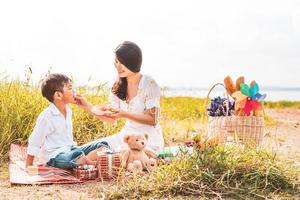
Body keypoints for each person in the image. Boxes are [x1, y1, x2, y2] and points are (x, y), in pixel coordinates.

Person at [76, 41, 164, 152]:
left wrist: (124, 114)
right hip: (126, 137)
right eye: (116, 62)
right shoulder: (118, 85)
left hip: (148, 142)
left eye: (123, 63)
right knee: (83, 150)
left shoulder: (149, 83)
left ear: (133, 62)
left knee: (105, 155)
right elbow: (111, 119)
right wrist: (86, 106)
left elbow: (153, 119)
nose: (118, 66)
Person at [26, 73, 109, 169]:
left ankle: (85, 160)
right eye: (70, 88)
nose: (73, 91)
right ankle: (86, 161)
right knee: (72, 157)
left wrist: (84, 104)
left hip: (71, 149)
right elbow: (35, 141)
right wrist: (29, 165)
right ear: (58, 95)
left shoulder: (68, 111)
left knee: (103, 145)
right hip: (55, 156)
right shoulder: (46, 117)